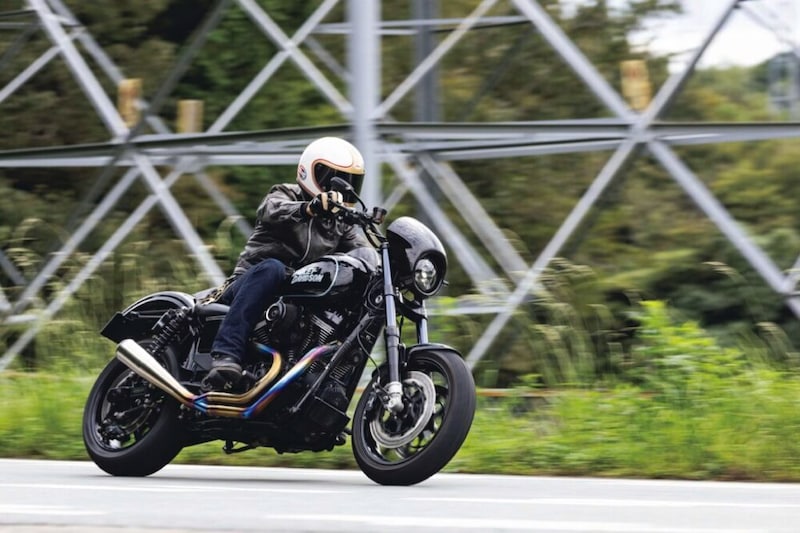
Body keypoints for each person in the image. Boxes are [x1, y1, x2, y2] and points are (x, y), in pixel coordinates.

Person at [204, 136, 371, 390]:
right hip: (249, 282)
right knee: (273, 268)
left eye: (351, 183)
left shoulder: (340, 224)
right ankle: (226, 353)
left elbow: (362, 250)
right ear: (311, 171)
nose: (341, 192)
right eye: (336, 180)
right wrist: (309, 209)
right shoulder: (285, 193)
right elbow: (270, 210)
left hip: (295, 294)